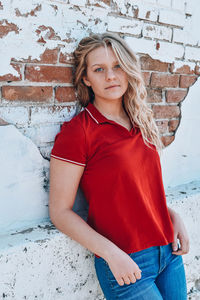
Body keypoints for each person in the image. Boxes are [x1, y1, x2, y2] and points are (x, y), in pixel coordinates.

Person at [49, 32, 190, 299]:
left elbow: (136, 190)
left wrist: (172, 215)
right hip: (126, 262)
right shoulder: (79, 132)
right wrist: (112, 254)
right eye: (99, 69)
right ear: (86, 79)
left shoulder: (141, 120)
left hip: (168, 252)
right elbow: (60, 212)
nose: (111, 76)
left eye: (117, 66)